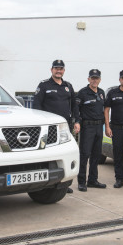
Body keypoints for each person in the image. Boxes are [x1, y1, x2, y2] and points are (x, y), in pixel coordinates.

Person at [33, 59, 79, 193]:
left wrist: (77, 121)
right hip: (48, 129)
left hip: (64, 129)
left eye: (61, 68)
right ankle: (44, 183)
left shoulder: (68, 86)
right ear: (51, 70)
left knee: (65, 154)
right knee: (47, 156)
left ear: (64, 71)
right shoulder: (44, 85)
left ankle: (64, 184)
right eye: (56, 68)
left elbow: (74, 106)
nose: (58, 71)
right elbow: (36, 106)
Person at [75, 69, 106, 192]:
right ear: (88, 79)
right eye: (92, 78)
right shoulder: (83, 93)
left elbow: (105, 109)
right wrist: (77, 122)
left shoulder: (102, 92)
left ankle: (93, 180)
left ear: (100, 80)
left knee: (96, 155)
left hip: (99, 127)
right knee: (85, 154)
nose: (94, 80)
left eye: (96, 78)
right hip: (87, 127)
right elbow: (76, 108)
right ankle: (81, 182)